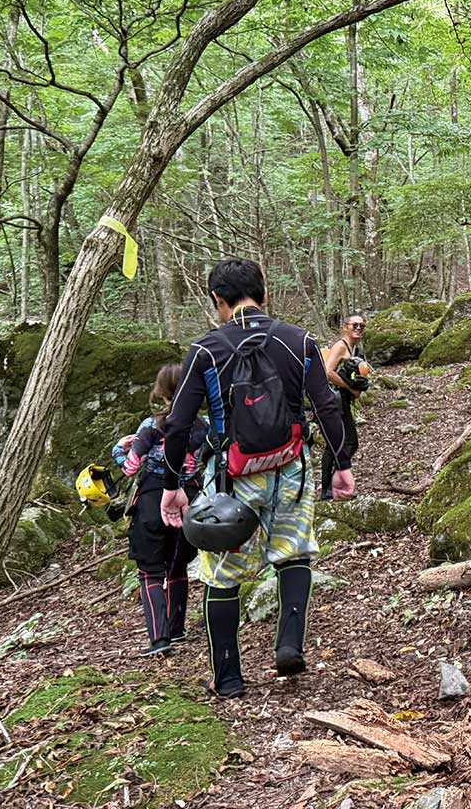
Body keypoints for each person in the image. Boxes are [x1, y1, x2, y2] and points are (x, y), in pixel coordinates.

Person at [159, 259, 354, 698]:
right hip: (292, 469)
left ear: (218, 301)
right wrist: (341, 463)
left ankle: (227, 678)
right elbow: (325, 405)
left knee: (221, 574)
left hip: (231, 480)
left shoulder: (207, 350)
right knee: (294, 552)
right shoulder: (298, 339)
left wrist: (172, 486)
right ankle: (288, 645)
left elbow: (178, 422)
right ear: (264, 294)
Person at [111, 364, 209, 658]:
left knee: (151, 571)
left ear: (161, 391)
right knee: (178, 566)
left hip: (153, 501)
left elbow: (129, 468)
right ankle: (177, 630)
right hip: (191, 500)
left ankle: (159, 638)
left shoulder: (150, 426)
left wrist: (119, 448)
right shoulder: (203, 424)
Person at [320, 314, 367, 501]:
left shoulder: (357, 349)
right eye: (355, 325)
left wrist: (359, 388)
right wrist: (348, 386)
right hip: (333, 401)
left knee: (344, 443)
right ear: (345, 327)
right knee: (341, 443)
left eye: (362, 326)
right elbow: (327, 371)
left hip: (344, 401)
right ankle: (328, 488)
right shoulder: (340, 346)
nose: (359, 328)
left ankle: (332, 485)